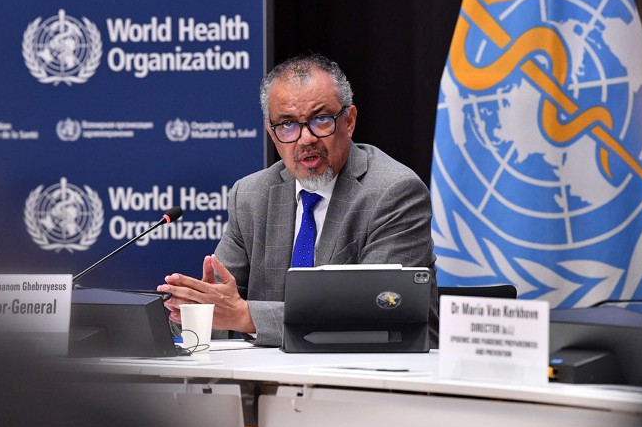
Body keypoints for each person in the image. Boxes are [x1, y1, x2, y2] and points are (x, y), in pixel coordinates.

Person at [158, 53, 437, 347]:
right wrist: (192, 311)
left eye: (320, 120)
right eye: (287, 125)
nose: (305, 139)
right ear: (271, 132)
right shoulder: (251, 196)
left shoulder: (394, 192)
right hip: (273, 381)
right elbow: (220, 311)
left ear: (349, 121)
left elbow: (380, 311)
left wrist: (245, 316)